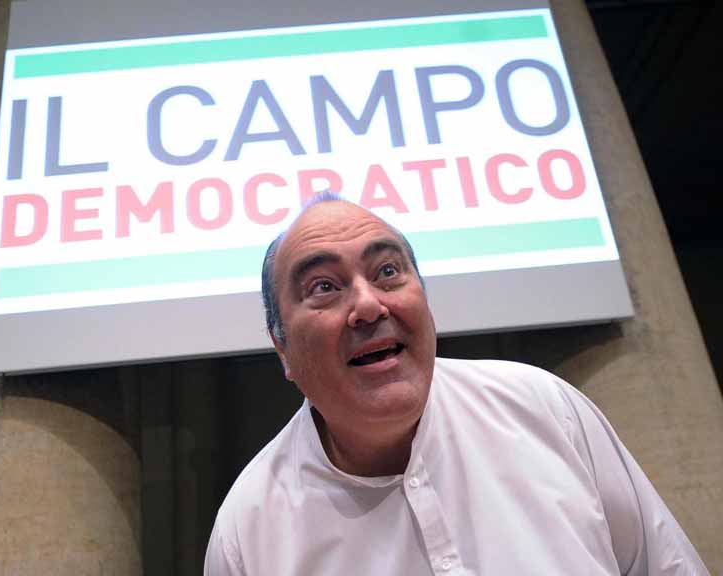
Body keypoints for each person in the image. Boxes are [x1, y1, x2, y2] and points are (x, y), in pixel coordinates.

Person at [204, 196, 708, 575]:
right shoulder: (248, 532)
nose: (369, 306)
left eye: (387, 271)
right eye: (323, 287)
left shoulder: (542, 408)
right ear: (282, 347)